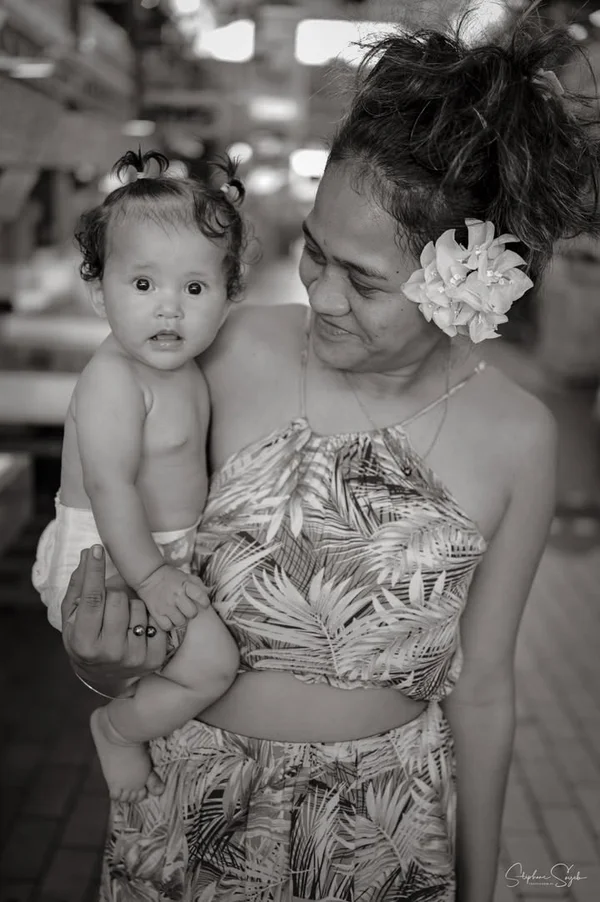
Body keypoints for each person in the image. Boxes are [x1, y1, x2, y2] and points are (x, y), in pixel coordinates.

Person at [57, 18, 599, 902]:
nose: (321, 293)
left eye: (366, 279)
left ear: (467, 282)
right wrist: (103, 665)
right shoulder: (224, 354)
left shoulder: (518, 436)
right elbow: (119, 558)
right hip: (189, 805)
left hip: (381, 832)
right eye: (315, 251)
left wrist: (481, 883)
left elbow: (487, 688)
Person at [32, 149, 245, 801]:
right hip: (110, 556)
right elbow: (110, 486)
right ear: (99, 292)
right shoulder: (114, 378)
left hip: (158, 551)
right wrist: (152, 575)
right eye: (144, 285)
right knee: (213, 664)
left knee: (193, 663)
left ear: (230, 295)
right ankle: (118, 730)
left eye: (195, 288)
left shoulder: (185, 370)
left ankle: (153, 727)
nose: (169, 311)